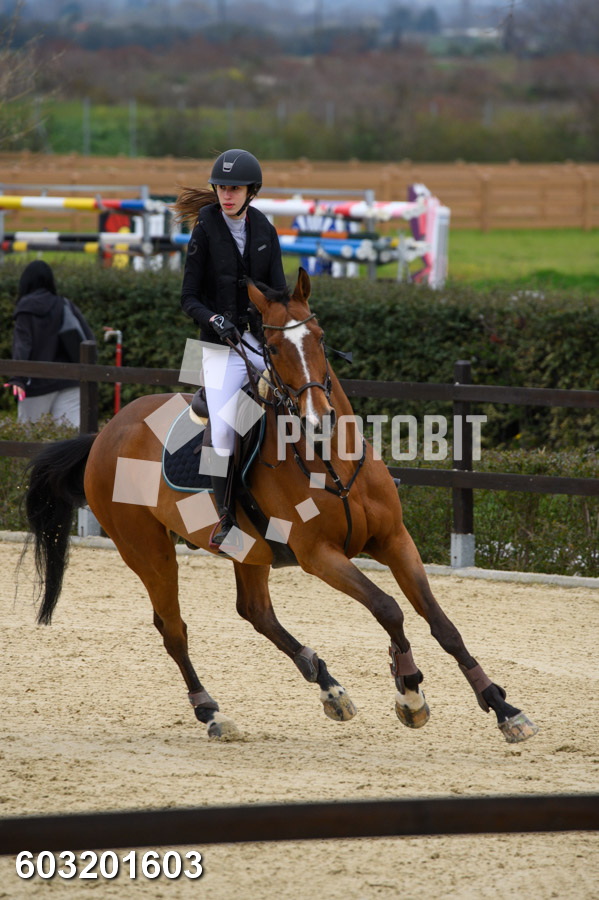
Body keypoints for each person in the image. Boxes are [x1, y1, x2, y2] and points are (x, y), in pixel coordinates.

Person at [176, 148, 287, 547]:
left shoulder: (265, 229)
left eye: (234, 189)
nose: (226, 195)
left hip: (258, 341)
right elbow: (188, 298)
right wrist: (214, 319)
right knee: (224, 429)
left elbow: (278, 292)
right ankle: (223, 516)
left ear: (250, 192)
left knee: (299, 396)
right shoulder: (205, 227)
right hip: (218, 346)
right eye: (222, 187)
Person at [4, 260, 94, 428]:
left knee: (28, 435)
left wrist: (18, 378)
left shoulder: (25, 308)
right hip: (70, 380)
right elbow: (88, 339)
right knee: (69, 436)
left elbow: (23, 345)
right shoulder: (65, 304)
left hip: (37, 383)